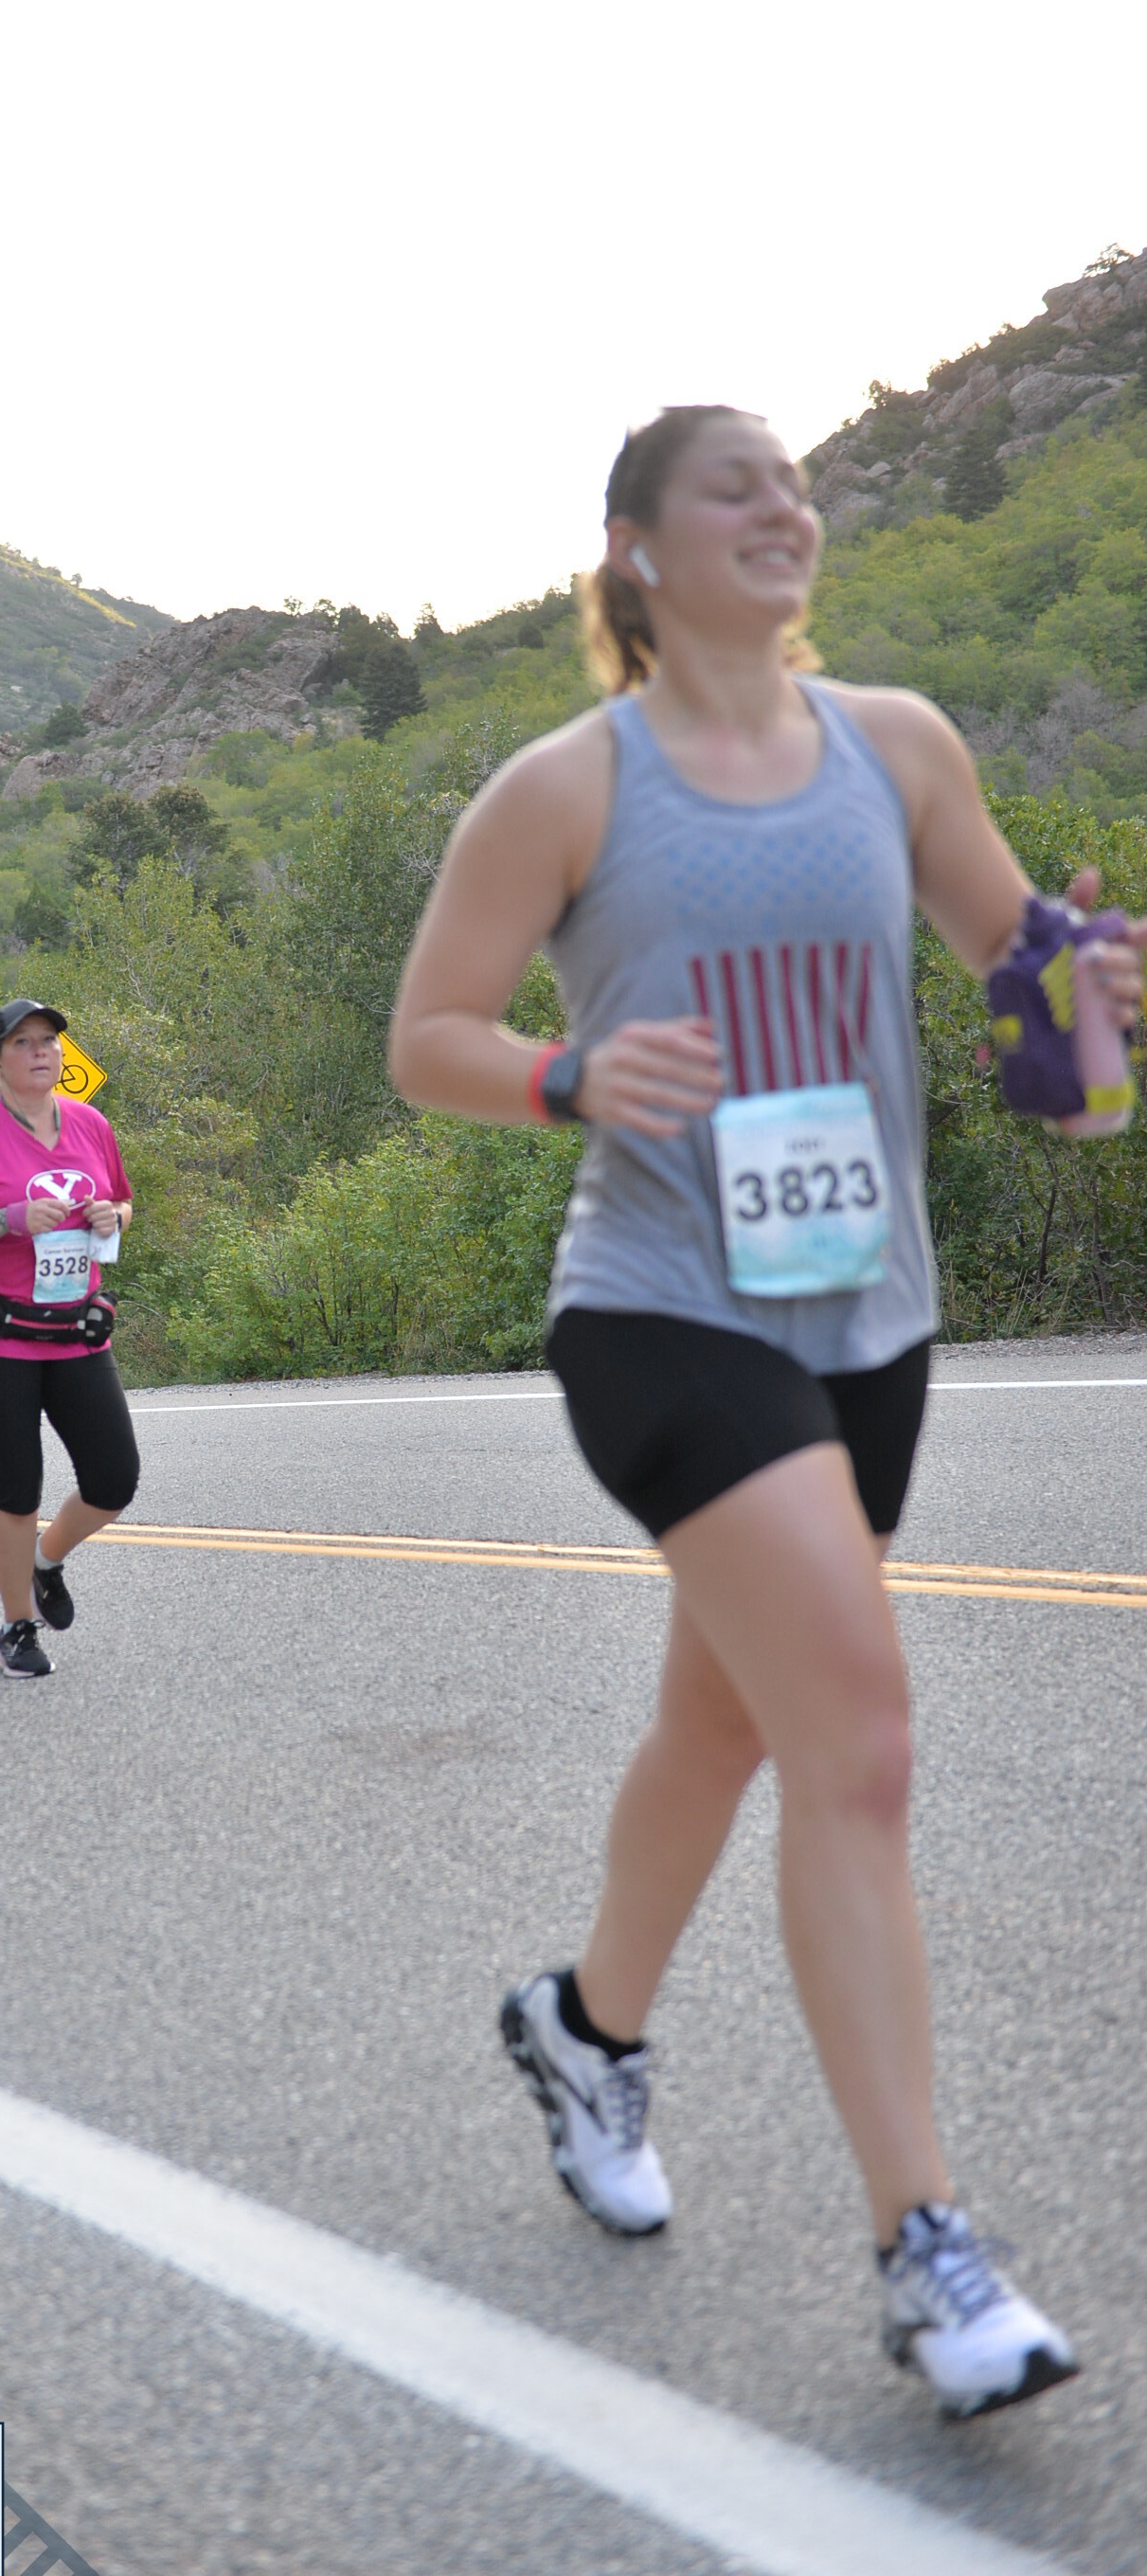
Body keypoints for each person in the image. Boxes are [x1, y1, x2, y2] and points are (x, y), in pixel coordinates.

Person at [388, 404, 1145, 2422]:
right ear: (634, 546)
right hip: (658, 1309)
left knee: (723, 1724)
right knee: (858, 1741)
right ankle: (927, 2249)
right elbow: (425, 1036)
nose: (781, 506)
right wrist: (562, 1075)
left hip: (863, 1316)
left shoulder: (898, 749)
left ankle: (582, 2026)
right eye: (732, 485)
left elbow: (1051, 1064)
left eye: (793, 482)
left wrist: (1088, 1008)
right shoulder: (566, 786)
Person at [0, 999, 139, 1677]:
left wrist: (112, 1216)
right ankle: (17, 1627)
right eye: (22, 1042)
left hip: (75, 1328)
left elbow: (124, 1202)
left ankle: (46, 1562)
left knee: (114, 1479)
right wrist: (11, 1219)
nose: (40, 1051)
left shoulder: (92, 1124)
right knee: (18, 1487)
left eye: (49, 1040)